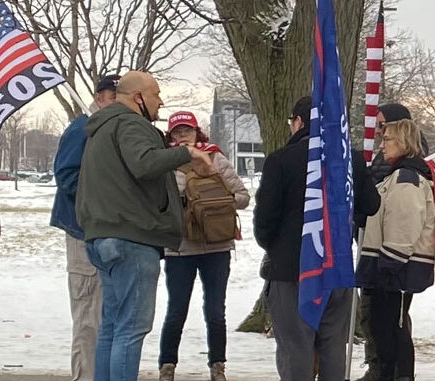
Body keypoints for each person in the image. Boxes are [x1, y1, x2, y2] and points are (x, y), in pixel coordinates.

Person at [76, 71, 215, 381]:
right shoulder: (131, 123)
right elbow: (143, 162)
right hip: (132, 239)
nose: (160, 101)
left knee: (112, 327)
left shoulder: (102, 129)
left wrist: (174, 160)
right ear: (137, 97)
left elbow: (134, 166)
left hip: (103, 237)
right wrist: (187, 152)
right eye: (155, 94)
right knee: (130, 329)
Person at [254, 96, 378, 381]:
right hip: (336, 268)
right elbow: (371, 205)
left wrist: (274, 246)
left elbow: (264, 222)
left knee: (296, 347)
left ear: (298, 122)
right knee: (333, 346)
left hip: (291, 271)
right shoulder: (350, 160)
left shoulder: (281, 160)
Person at [157, 111, 250, 381]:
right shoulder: (165, 163)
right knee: (176, 310)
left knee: (215, 311)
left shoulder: (216, 157)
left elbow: (243, 197)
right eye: (177, 131)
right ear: (170, 135)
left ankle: (218, 366)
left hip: (217, 246)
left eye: (187, 130)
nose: (183, 135)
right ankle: (167, 367)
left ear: (198, 132)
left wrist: (217, 200)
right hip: (180, 248)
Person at [50, 74, 120, 381]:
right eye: (119, 98)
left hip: (110, 235)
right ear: (102, 97)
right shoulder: (82, 128)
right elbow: (67, 178)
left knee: (109, 318)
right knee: (88, 318)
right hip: (84, 234)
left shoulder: (112, 130)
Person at [356, 118, 435, 381]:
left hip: (394, 271)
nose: (382, 144)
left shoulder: (406, 178)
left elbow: (404, 224)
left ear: (402, 141)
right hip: (390, 269)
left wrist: (388, 264)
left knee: (392, 332)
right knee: (386, 330)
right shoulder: (399, 174)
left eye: (387, 138)